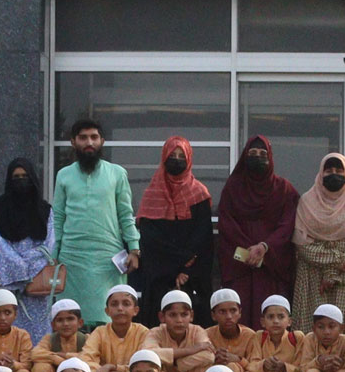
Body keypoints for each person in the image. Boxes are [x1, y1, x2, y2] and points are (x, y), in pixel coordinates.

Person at [50, 119, 140, 330]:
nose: (89, 142)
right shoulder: (64, 175)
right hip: (72, 258)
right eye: (83, 138)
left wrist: (134, 249)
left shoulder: (117, 173)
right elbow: (58, 217)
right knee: (72, 317)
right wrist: (54, 255)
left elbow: (126, 214)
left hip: (107, 258)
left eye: (94, 137)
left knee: (109, 317)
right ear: (73, 142)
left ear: (102, 141)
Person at [216, 134, 299, 319]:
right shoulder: (233, 187)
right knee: (238, 316)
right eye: (253, 153)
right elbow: (227, 222)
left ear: (270, 158)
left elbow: (287, 225)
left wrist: (264, 247)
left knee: (272, 317)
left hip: (272, 267)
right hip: (241, 265)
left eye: (263, 154)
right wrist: (249, 250)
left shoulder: (284, 189)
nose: (258, 157)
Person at [133, 136, 214, 323]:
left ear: (189, 160)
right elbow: (150, 239)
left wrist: (187, 271)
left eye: (181, 156)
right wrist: (177, 266)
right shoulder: (152, 194)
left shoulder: (199, 194)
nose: (176, 160)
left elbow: (203, 237)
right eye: (172, 156)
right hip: (159, 275)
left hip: (192, 277)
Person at [293, 153, 345, 327]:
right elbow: (302, 244)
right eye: (329, 171)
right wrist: (337, 260)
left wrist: (336, 276)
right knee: (312, 329)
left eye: (339, 170)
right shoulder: (307, 202)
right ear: (321, 173)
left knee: (343, 330)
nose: (334, 174)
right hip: (313, 277)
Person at [0, 158, 60, 342]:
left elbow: (49, 244)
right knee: (2, 322)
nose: (21, 181)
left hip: (36, 281)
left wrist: (29, 269)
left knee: (36, 332)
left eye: (25, 177)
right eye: (16, 177)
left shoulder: (44, 209)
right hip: (5, 276)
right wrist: (18, 268)